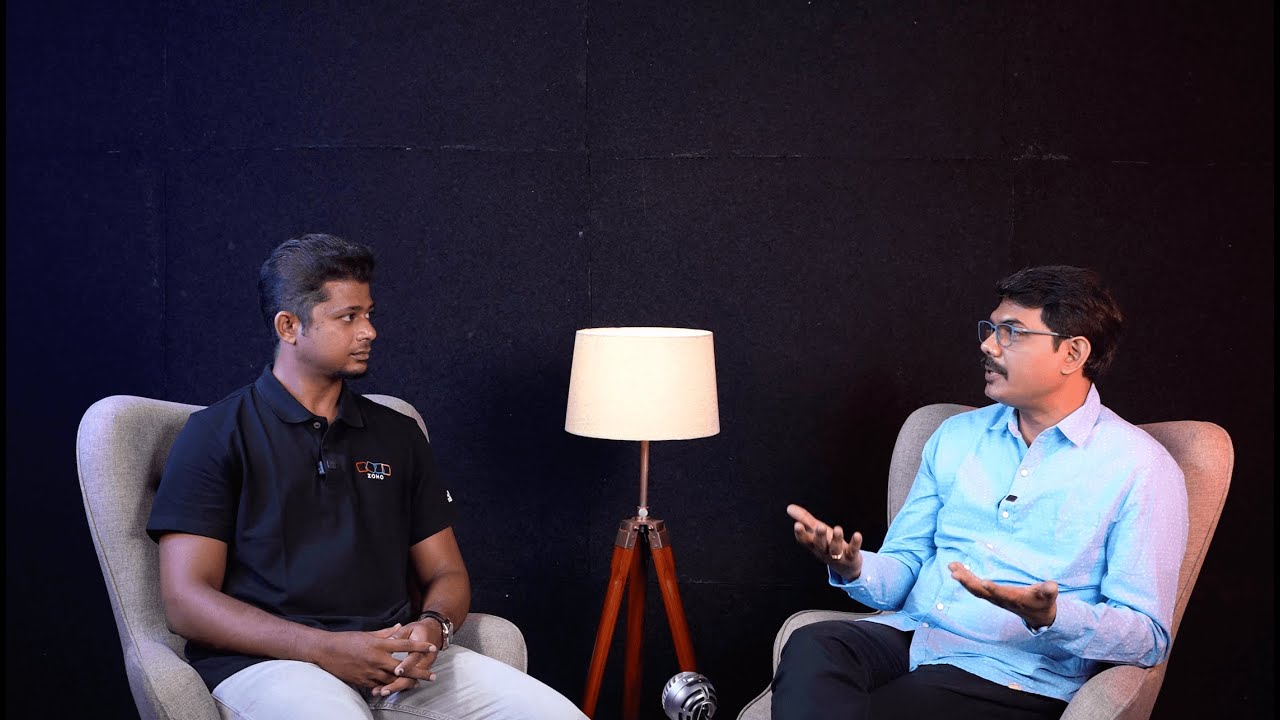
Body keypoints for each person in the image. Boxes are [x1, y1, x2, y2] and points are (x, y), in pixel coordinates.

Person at [147, 233, 586, 720]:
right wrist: (324, 648)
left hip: (395, 657)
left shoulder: (398, 434)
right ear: (289, 326)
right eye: (348, 316)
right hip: (271, 664)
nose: (369, 331)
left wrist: (433, 627)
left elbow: (446, 572)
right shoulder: (215, 434)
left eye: (369, 314)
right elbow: (186, 601)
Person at [774, 266, 1188, 720]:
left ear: (1072, 352)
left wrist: (1050, 616)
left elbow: (1148, 636)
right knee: (814, 644)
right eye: (991, 329)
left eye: (1011, 332)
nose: (988, 345)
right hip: (915, 636)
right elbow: (905, 565)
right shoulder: (955, 435)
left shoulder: (1140, 467)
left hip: (1011, 672)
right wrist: (853, 566)